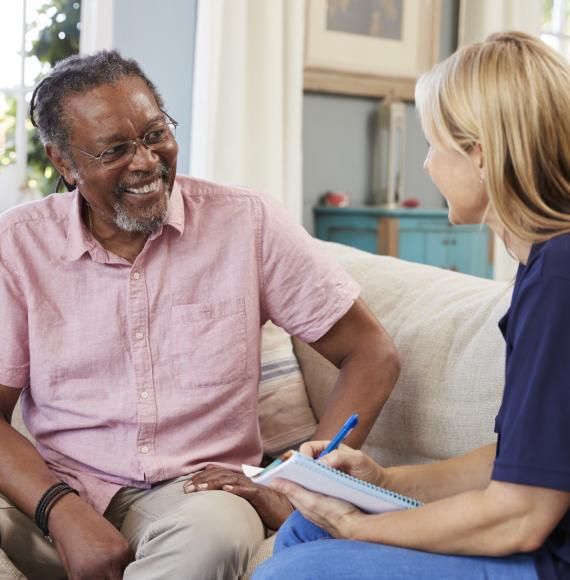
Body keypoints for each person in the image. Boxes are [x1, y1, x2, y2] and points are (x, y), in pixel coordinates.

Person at [0, 51, 400, 580]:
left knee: (215, 535)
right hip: (58, 491)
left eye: (154, 134)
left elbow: (370, 352)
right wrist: (62, 511)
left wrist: (295, 481)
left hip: (195, 496)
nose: (145, 161)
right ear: (65, 163)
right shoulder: (18, 245)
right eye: (114, 150)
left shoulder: (246, 223)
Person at [253, 31, 570, 580]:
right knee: (307, 530)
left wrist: (362, 527)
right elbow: (515, 462)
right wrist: (383, 482)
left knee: (294, 571)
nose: (426, 165)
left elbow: (523, 515)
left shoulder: (560, 280)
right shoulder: (542, 270)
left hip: (551, 559)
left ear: (481, 154)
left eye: (433, 144)